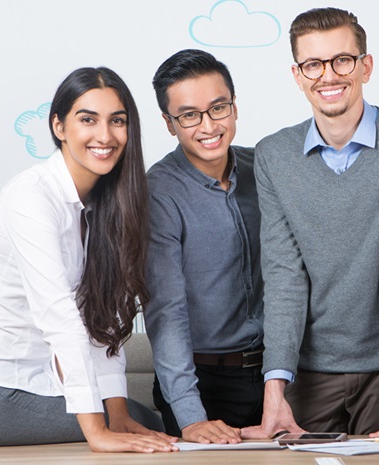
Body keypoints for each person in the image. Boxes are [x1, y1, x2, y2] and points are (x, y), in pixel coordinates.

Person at [242, 8, 379, 440]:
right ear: (297, 74)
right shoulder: (273, 156)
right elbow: (285, 277)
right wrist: (275, 390)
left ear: (366, 66)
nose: (328, 75)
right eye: (313, 64)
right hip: (307, 376)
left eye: (342, 60)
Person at [0, 67, 177, 454]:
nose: (105, 135)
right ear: (59, 126)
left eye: (118, 121)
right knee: (147, 422)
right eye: (87, 119)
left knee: (138, 418)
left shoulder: (104, 206)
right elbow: (60, 318)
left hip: (32, 386)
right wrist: (99, 431)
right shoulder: (30, 198)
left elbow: (101, 319)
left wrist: (116, 412)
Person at [144, 49, 264, 444]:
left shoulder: (262, 170)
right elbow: (166, 309)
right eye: (189, 115)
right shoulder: (158, 192)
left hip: (274, 374)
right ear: (169, 123)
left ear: (234, 107)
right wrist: (191, 416)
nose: (208, 125)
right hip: (200, 382)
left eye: (218, 108)